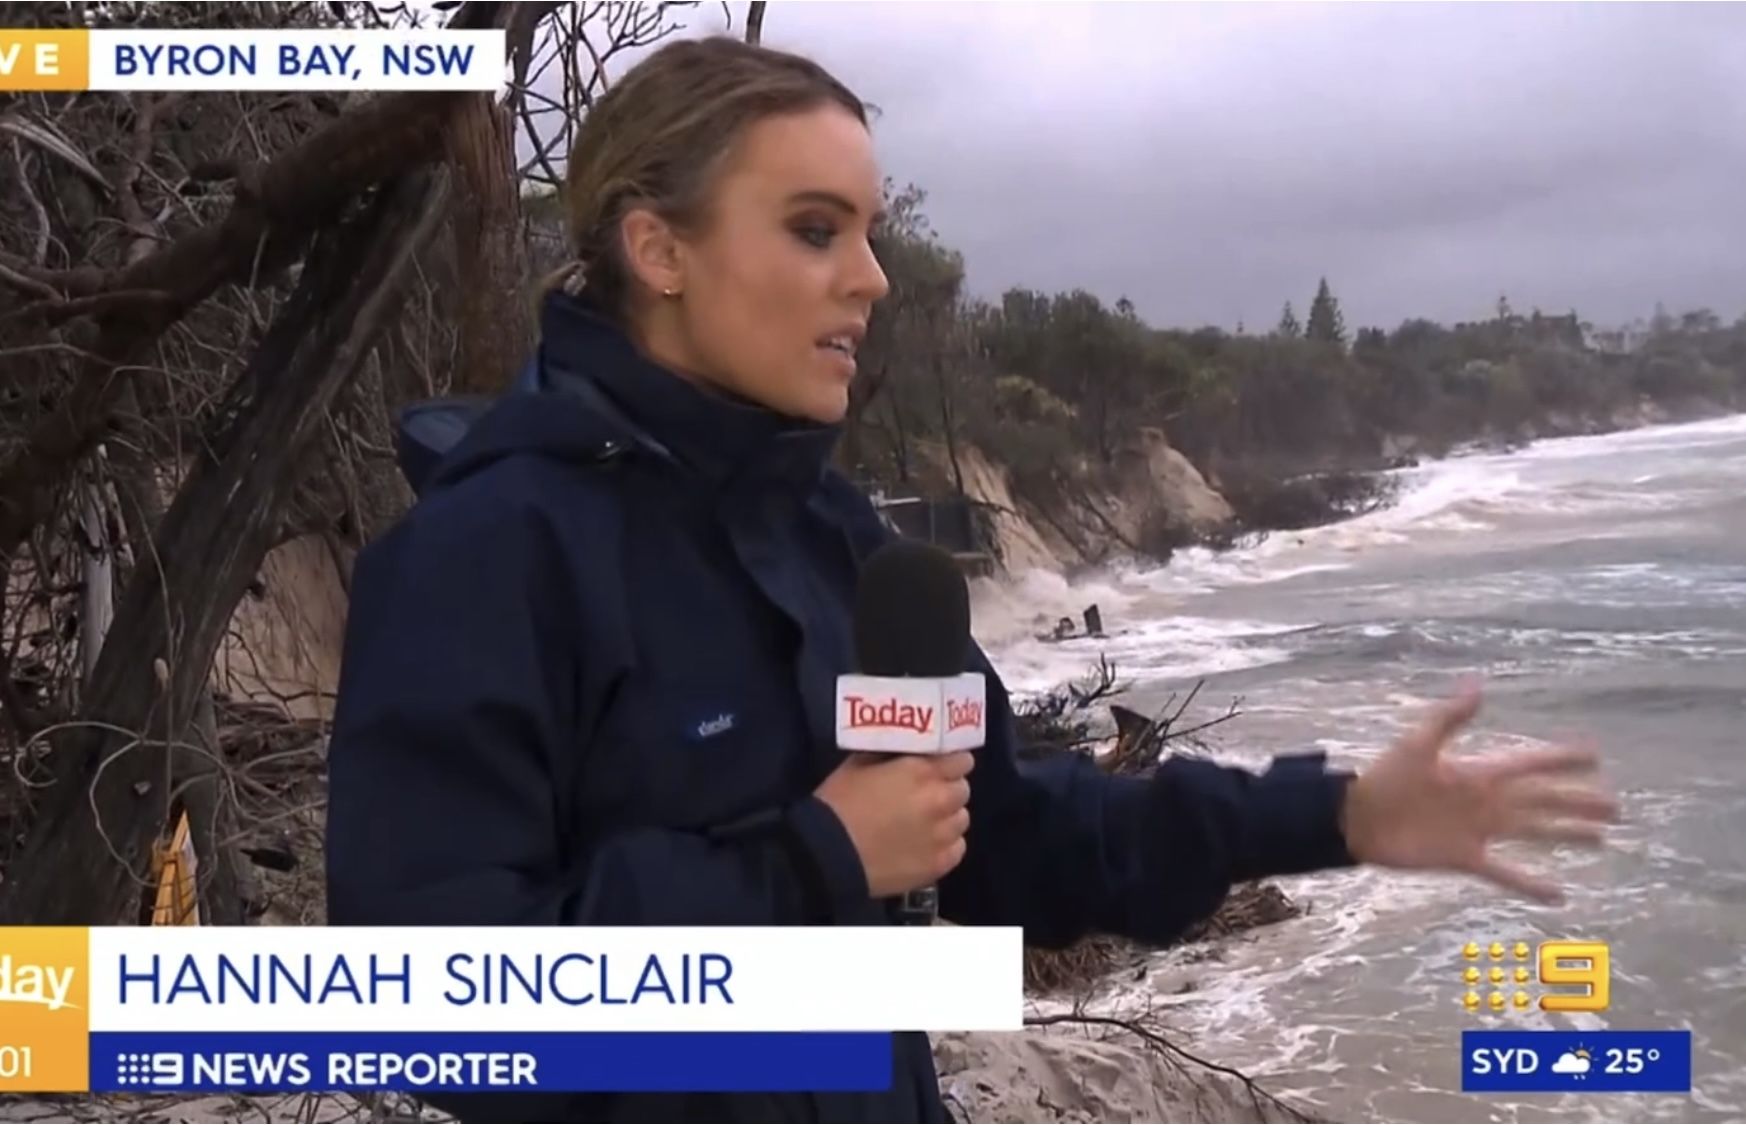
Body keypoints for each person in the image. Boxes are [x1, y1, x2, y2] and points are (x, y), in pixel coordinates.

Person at [322, 34, 1620, 1124]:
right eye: (815, 230)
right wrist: (817, 856)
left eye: (871, 233)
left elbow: (1012, 833)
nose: (872, 278)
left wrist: (1334, 815)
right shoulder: (487, 558)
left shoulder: (837, 547)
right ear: (658, 249)